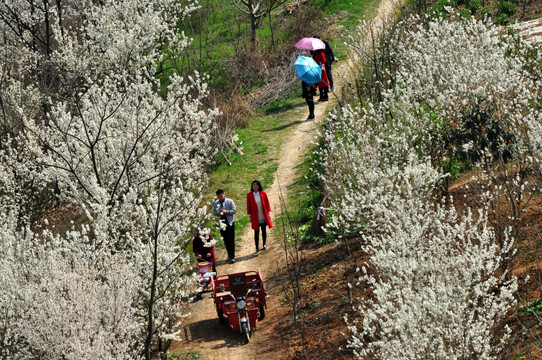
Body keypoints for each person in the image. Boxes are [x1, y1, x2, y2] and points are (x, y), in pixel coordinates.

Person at [246, 180, 273, 254]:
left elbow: (267, 203)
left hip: (263, 215)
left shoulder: (263, 193)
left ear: (259, 186)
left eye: (256, 185)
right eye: (253, 185)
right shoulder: (249, 195)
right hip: (255, 216)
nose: (255, 187)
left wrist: (269, 212)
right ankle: (257, 247)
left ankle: (264, 244)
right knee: (256, 232)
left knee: (264, 230)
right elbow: (249, 206)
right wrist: (250, 215)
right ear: (252, 186)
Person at [213, 189, 237, 263]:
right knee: (225, 240)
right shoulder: (216, 203)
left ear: (224, 194)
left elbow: (234, 210)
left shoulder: (230, 201)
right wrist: (218, 213)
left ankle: (232, 256)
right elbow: (214, 212)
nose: (220, 198)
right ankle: (229, 255)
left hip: (230, 222)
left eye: (221, 196)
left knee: (231, 239)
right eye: (218, 196)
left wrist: (227, 212)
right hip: (222, 223)